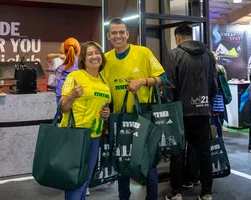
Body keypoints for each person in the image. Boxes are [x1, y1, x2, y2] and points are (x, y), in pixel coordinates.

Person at [101, 17, 167, 200]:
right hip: (119, 118)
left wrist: (143, 82)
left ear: (128, 34)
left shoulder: (143, 53)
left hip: (143, 117)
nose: (118, 36)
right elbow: (103, 89)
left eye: (122, 32)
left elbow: (164, 78)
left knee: (148, 162)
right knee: (122, 163)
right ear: (108, 36)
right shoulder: (105, 60)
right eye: (114, 33)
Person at [164, 23, 217, 200]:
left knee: (177, 153)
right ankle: (207, 193)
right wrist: (206, 103)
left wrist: (169, 109)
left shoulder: (174, 54)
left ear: (177, 37)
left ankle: (177, 193)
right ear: (191, 35)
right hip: (203, 111)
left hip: (180, 112)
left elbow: (170, 86)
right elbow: (214, 84)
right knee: (204, 152)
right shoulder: (208, 54)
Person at [59, 41, 111, 200]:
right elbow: (62, 107)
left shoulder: (103, 83)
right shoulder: (75, 76)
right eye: (90, 54)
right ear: (83, 58)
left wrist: (106, 114)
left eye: (97, 53)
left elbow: (101, 111)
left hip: (95, 136)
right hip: (75, 136)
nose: (94, 56)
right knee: (76, 182)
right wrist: (72, 95)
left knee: (85, 181)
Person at [55, 38, 80, 106]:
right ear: (78, 50)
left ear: (64, 51)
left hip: (67, 108)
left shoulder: (61, 69)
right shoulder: (85, 67)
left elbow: (59, 94)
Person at [211, 51, 227, 138]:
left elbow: (224, 83)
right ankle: (218, 139)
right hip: (216, 97)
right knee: (216, 120)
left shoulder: (220, 68)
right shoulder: (219, 68)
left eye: (216, 55)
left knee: (215, 120)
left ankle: (217, 139)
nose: (215, 57)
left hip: (217, 96)